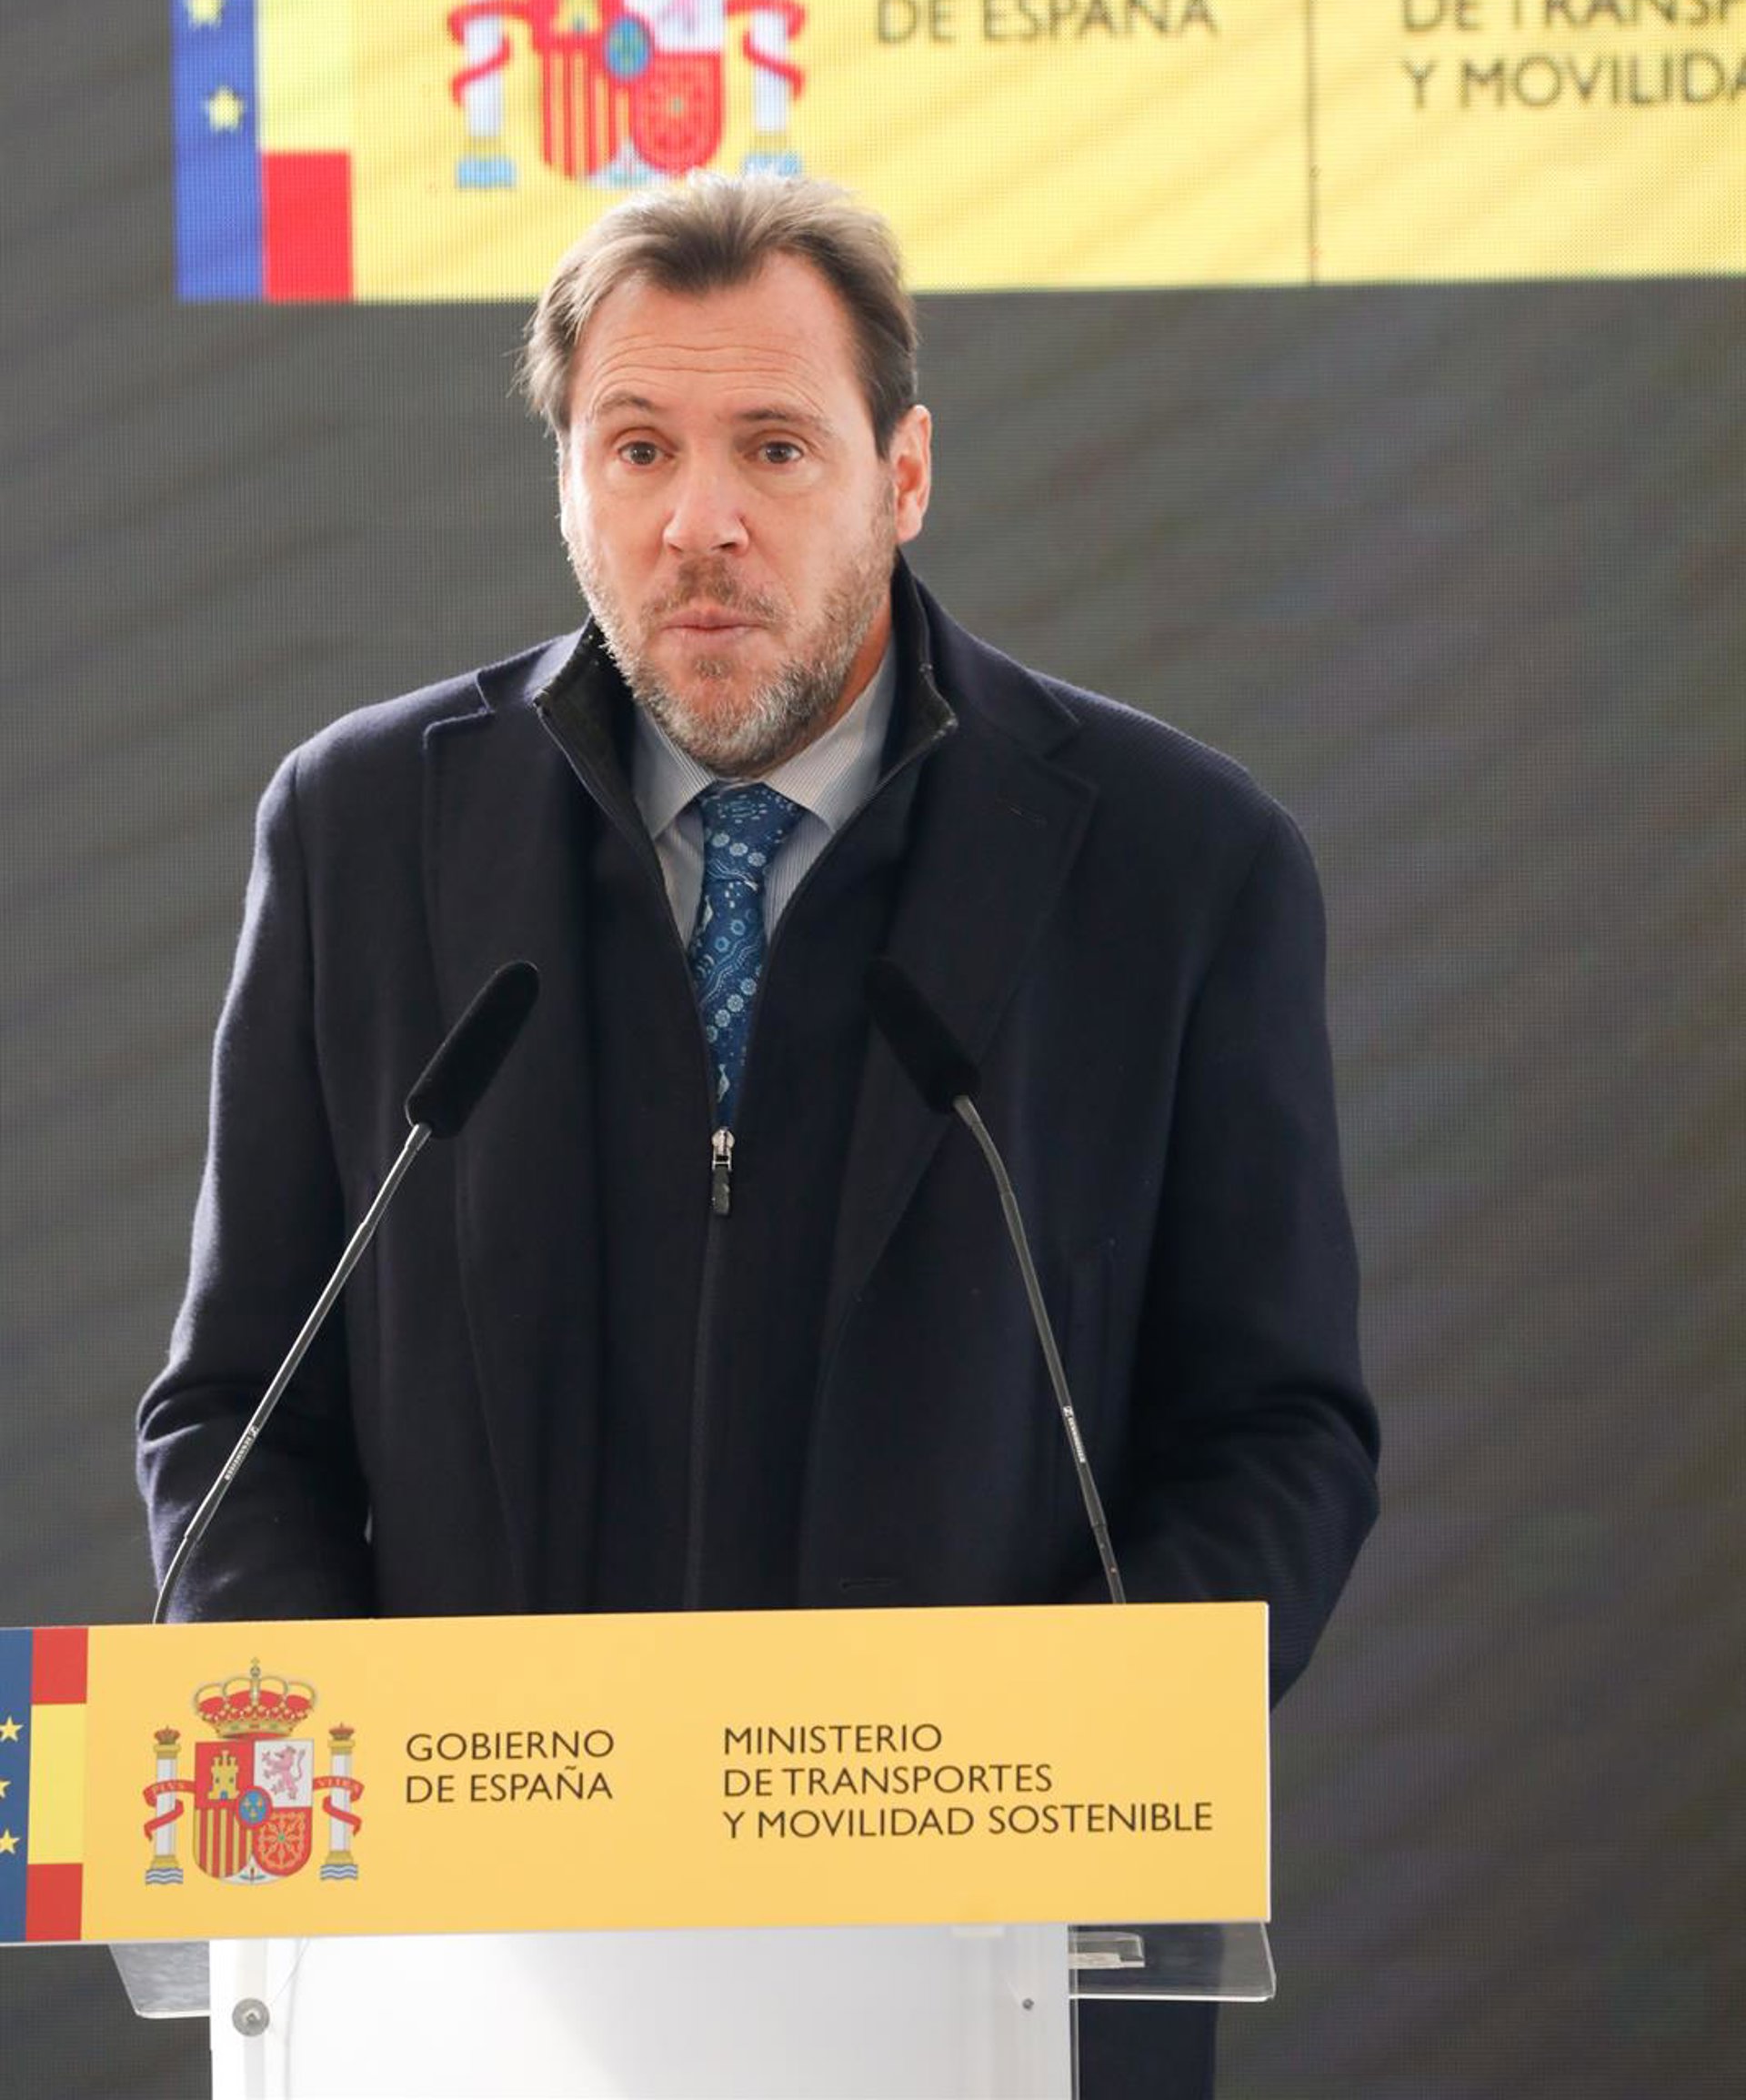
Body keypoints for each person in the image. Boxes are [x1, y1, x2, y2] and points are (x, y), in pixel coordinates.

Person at [138, 173, 1379, 2099]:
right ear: (567, 484)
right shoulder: (366, 836)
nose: (697, 522)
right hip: (470, 1990)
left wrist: (1075, 1748)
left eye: (775, 449)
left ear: (905, 476)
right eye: (636, 448)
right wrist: (359, 1805)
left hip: (995, 1971)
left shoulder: (1178, 863)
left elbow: (1279, 1432)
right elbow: (237, 1423)